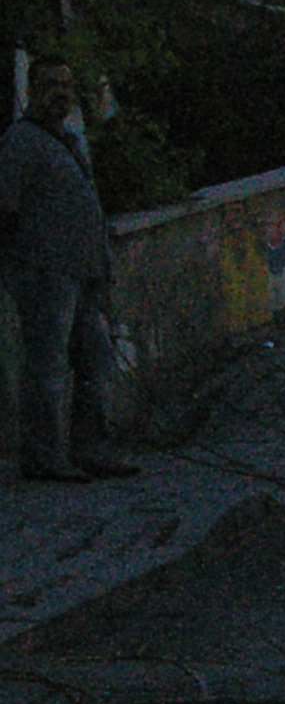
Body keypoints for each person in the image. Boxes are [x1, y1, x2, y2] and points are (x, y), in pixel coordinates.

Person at [3, 55, 137, 483]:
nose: (61, 92)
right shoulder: (21, 141)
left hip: (83, 273)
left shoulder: (69, 140)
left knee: (95, 361)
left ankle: (91, 447)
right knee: (47, 367)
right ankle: (42, 454)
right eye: (51, 84)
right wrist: (21, 264)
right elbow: (5, 208)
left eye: (66, 84)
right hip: (44, 273)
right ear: (32, 90)